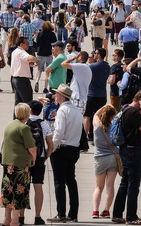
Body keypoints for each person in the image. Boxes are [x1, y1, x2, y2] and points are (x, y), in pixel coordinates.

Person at [111, 89, 141, 225]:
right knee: (133, 184)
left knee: (125, 183)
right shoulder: (133, 112)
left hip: (125, 149)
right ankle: (131, 216)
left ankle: (117, 214)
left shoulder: (125, 108)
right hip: (132, 151)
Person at [49, 84, 83, 222]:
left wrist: (51, 147)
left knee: (59, 181)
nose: (55, 96)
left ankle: (61, 213)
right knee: (71, 180)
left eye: (57, 94)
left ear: (62, 96)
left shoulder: (62, 111)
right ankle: (73, 213)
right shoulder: (76, 110)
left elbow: (59, 132)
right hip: (74, 148)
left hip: (62, 148)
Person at [0, 103, 37, 226]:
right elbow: (32, 148)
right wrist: (33, 160)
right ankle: (15, 221)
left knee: (8, 191)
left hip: (8, 164)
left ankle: (6, 220)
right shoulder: (24, 128)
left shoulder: (10, 125)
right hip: (20, 165)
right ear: (27, 114)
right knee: (19, 192)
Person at [26, 100, 54, 226]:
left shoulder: (24, 122)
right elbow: (51, 145)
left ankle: (21, 216)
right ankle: (37, 217)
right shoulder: (44, 124)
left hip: (25, 159)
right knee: (38, 186)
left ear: (30, 110)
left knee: (23, 187)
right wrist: (45, 157)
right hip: (39, 158)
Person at [91, 104, 118, 220]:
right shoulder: (115, 127)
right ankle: (106, 210)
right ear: (113, 116)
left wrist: (104, 106)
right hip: (112, 157)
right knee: (110, 185)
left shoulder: (97, 126)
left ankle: (95, 210)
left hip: (100, 158)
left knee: (98, 187)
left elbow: (95, 115)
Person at [84, 48, 109, 138]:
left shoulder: (93, 66)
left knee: (87, 116)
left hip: (92, 95)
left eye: (95, 53)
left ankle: (85, 137)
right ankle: (97, 136)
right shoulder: (107, 66)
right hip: (102, 95)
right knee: (99, 116)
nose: (94, 54)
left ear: (99, 55)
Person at [10, 37, 39, 109]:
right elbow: (30, 58)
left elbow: (20, 62)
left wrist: (30, 64)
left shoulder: (15, 51)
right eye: (27, 44)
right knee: (28, 102)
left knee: (18, 103)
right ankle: (29, 119)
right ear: (21, 44)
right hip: (22, 80)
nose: (28, 45)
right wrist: (37, 60)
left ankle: (16, 119)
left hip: (16, 79)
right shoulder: (21, 52)